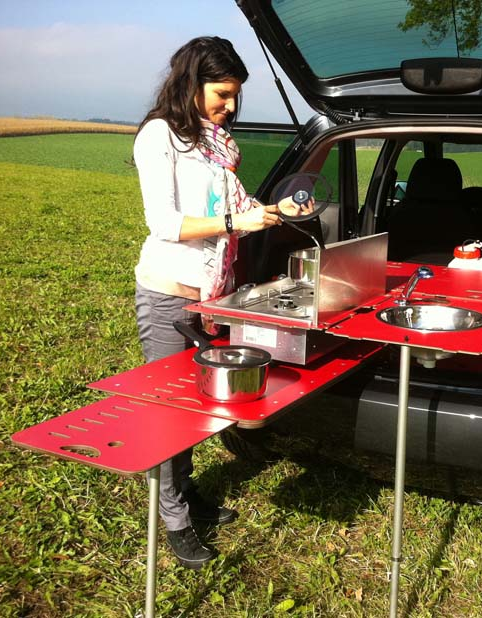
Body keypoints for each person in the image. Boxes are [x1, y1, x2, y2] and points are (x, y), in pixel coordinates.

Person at [132, 36, 296, 569]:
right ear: (191, 82)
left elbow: (237, 203)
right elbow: (166, 223)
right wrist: (234, 222)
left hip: (211, 299)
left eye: (235, 96)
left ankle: (186, 493)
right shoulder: (160, 136)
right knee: (169, 411)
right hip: (168, 296)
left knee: (200, 404)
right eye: (222, 94)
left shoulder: (216, 144)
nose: (230, 106)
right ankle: (174, 517)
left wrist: (274, 208)